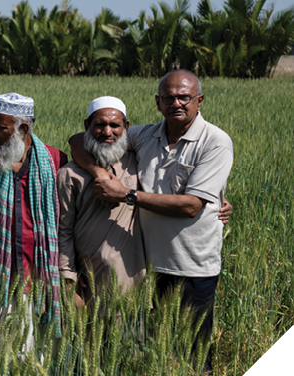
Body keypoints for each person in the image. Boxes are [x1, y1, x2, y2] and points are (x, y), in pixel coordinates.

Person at [69, 70, 234, 370]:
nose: (177, 103)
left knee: (195, 354)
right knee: (158, 352)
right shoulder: (146, 135)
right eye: (168, 97)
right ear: (158, 103)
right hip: (148, 267)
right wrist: (99, 173)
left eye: (184, 97)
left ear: (200, 100)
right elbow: (79, 140)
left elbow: (192, 206)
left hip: (192, 267)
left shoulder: (215, 141)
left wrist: (126, 194)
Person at [0, 93, 68, 343]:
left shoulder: (56, 160)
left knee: (37, 353)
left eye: (0, 127)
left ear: (23, 128)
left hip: (39, 275)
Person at [57, 97, 145, 306]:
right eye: (100, 125)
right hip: (90, 282)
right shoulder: (70, 174)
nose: (107, 132)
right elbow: (63, 230)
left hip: (137, 280)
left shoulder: (139, 163)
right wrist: (68, 279)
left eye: (115, 125)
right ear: (87, 126)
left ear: (126, 127)